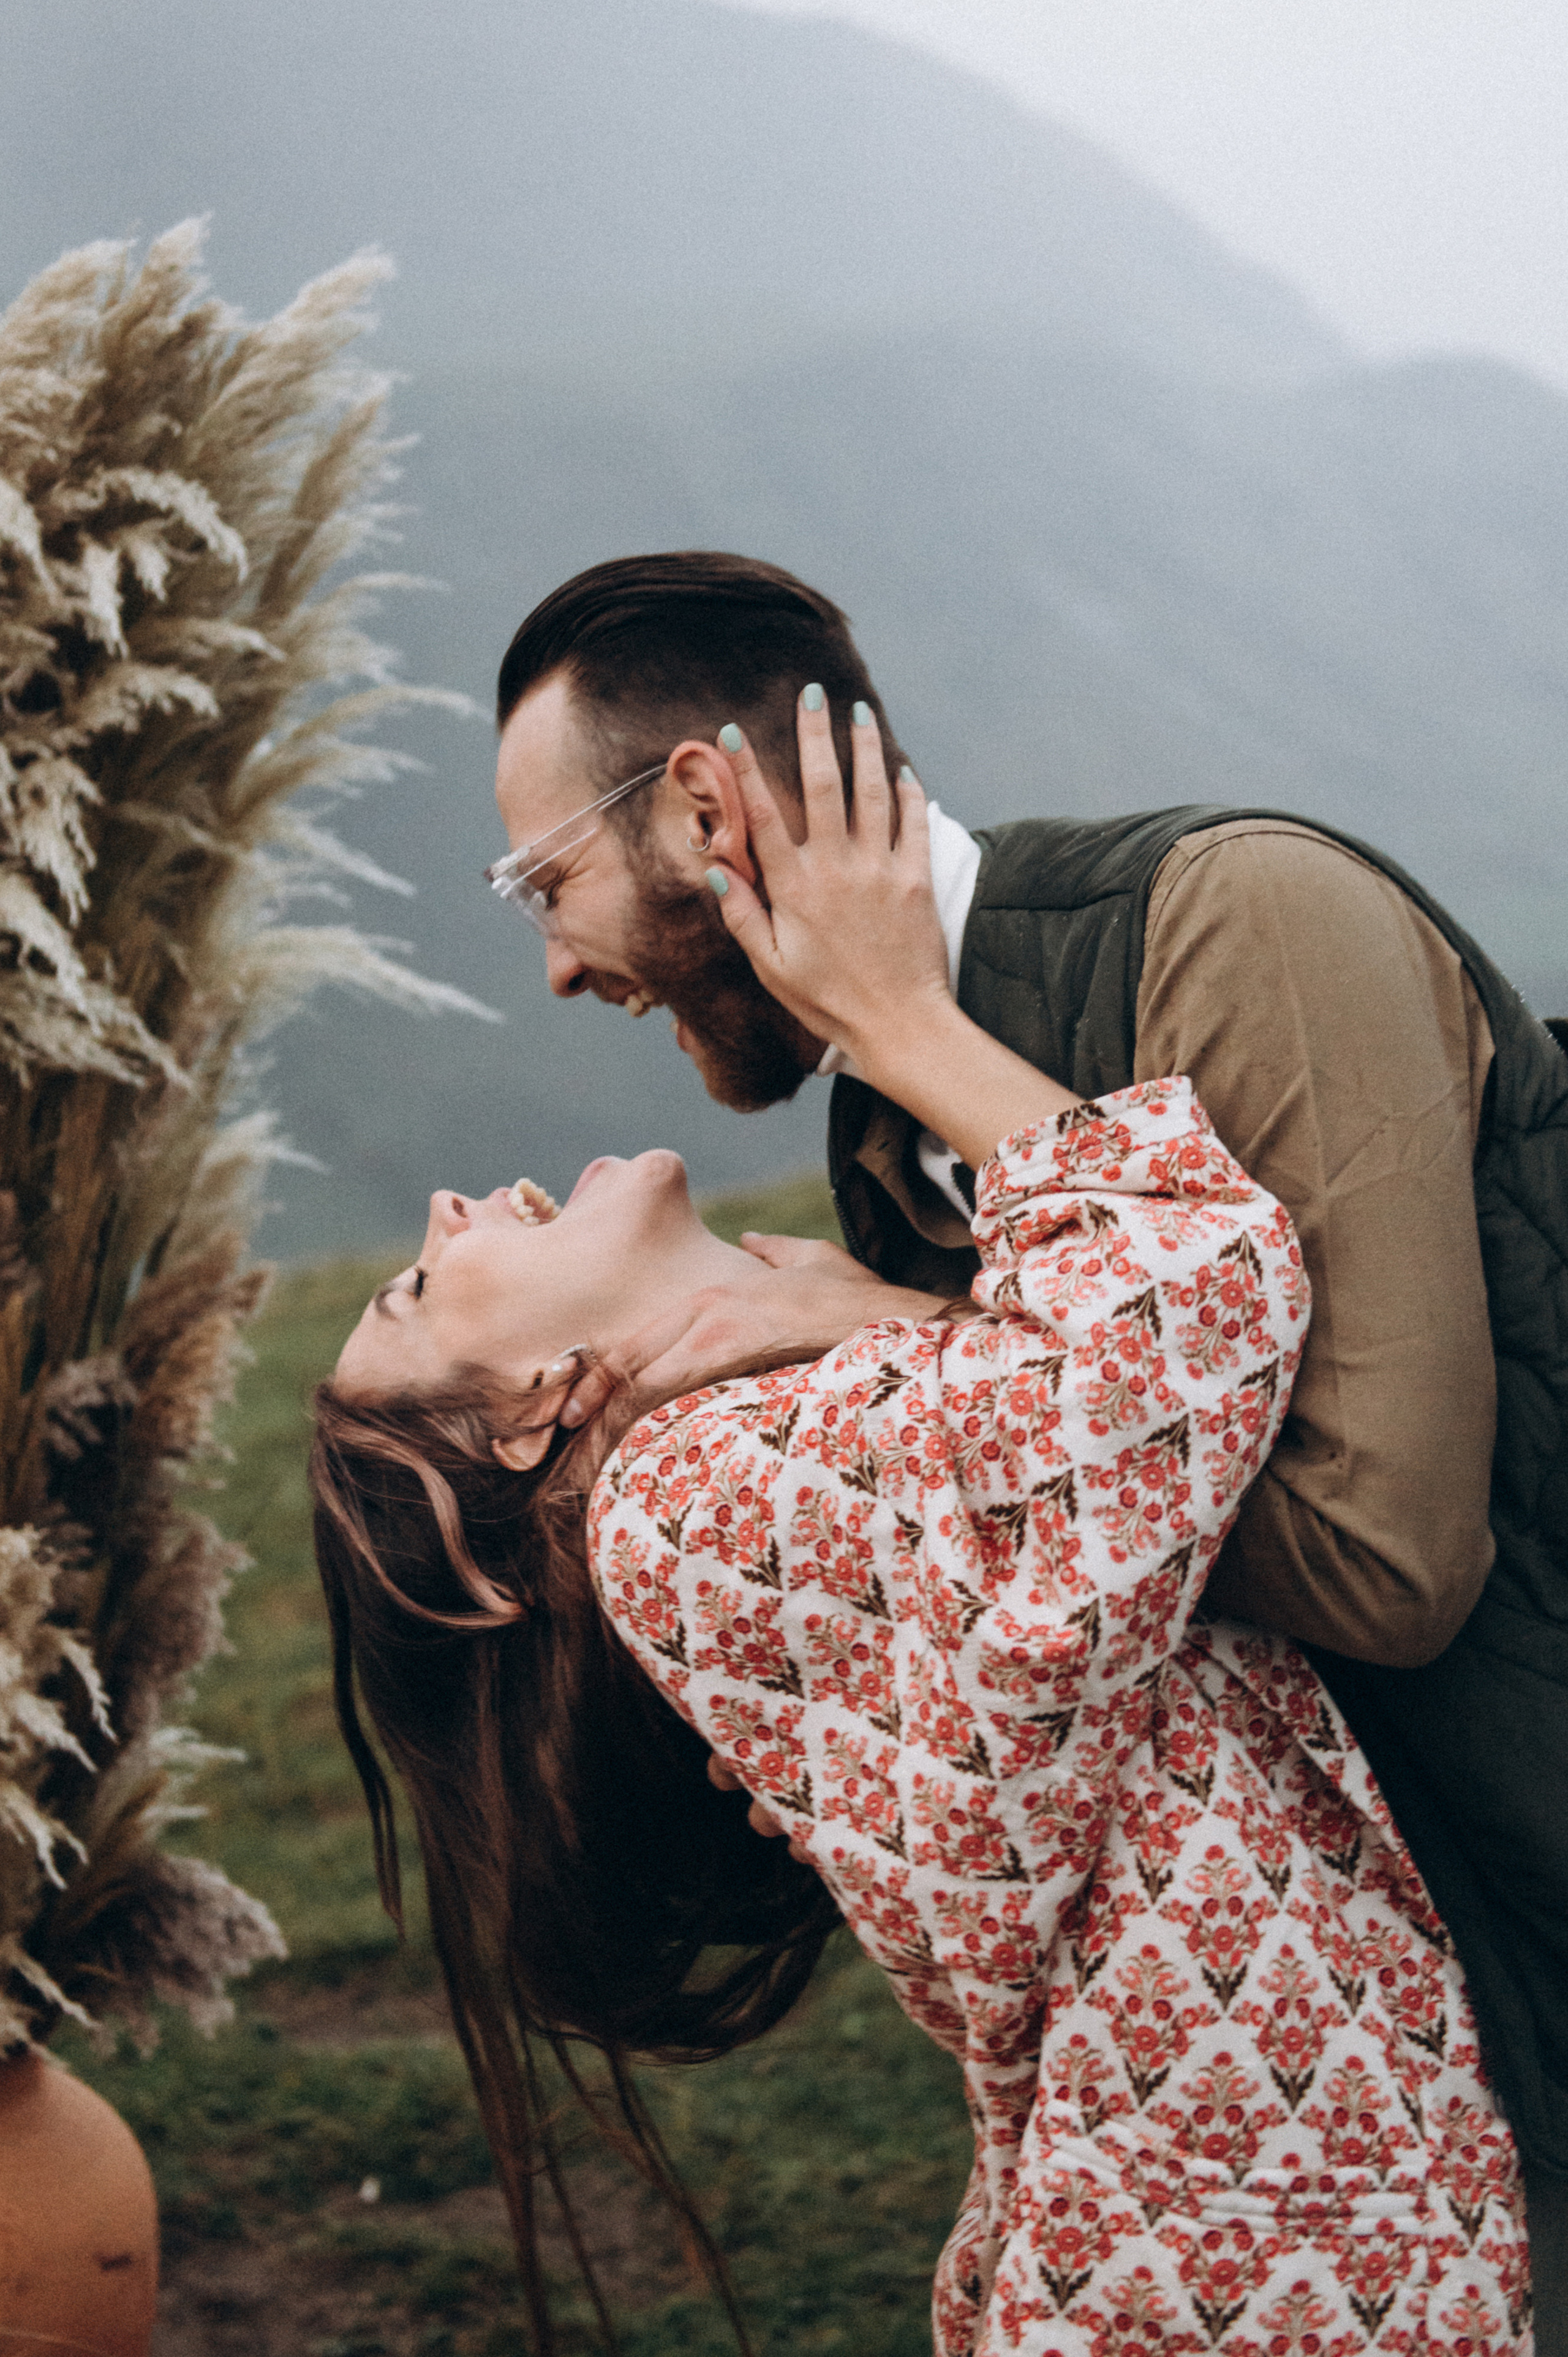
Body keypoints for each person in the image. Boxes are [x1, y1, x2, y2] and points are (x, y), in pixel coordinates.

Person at [315, 736, 1528, 2356]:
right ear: (528, 1412)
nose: (456, 1208)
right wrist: (902, 1021)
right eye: (419, 1286)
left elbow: (1070, 1488)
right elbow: (1194, 1298)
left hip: (1236, 2197)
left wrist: (896, 1316)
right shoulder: (692, 1503)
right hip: (1254, 2229)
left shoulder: (733, 1478)